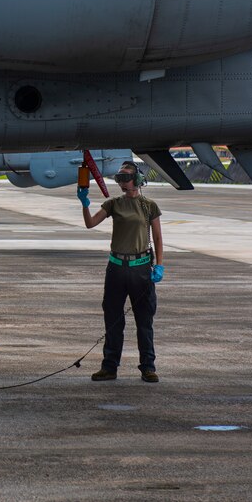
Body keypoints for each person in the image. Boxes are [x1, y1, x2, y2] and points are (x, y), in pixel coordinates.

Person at [77, 161, 164, 383]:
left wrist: (160, 265)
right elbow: (90, 224)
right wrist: (85, 204)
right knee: (113, 319)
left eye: (126, 177)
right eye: (120, 177)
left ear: (137, 180)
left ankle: (148, 366)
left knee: (144, 321)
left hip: (141, 268)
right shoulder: (113, 204)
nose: (122, 181)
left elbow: (158, 237)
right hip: (116, 268)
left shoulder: (149, 206)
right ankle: (109, 367)